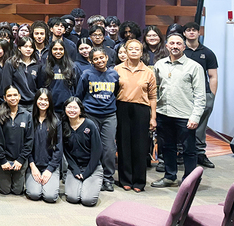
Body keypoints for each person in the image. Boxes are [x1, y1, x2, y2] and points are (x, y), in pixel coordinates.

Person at [151, 32, 205, 187]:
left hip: (185, 115)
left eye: (178, 44)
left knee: (188, 150)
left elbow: (200, 96)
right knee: (167, 147)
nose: (175, 46)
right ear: (167, 46)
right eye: (172, 43)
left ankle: (190, 181)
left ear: (184, 46)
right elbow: (154, 90)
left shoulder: (194, 67)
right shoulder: (160, 65)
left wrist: (195, 117)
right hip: (164, 113)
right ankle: (170, 176)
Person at [115, 38, 157, 192]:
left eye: (136, 49)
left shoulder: (148, 72)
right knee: (123, 144)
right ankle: (125, 179)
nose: (133, 51)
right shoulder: (117, 69)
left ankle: (139, 181)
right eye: (130, 49)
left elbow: (153, 96)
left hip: (141, 110)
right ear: (125, 51)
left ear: (141, 52)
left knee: (140, 146)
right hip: (122, 108)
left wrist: (153, 118)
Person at [75, 47, 120, 192]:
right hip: (90, 115)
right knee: (91, 147)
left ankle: (108, 179)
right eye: (96, 59)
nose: (99, 61)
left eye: (102, 58)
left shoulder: (114, 74)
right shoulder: (87, 74)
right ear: (91, 60)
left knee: (108, 149)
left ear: (106, 57)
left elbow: (117, 92)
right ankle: (92, 176)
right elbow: (79, 95)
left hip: (109, 116)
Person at [183, 22, 219, 169]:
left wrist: (211, 96)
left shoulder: (208, 53)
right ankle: (181, 154)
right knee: (182, 125)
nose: (192, 33)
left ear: (199, 33)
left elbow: (213, 76)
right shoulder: (180, 51)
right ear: (184, 33)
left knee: (200, 126)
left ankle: (200, 154)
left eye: (194, 30)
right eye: (188, 30)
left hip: (202, 95)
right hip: (184, 95)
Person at [62, 97, 102, 207]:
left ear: (80, 110)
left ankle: (90, 184)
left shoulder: (90, 125)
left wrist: (87, 172)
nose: (72, 110)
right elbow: (66, 152)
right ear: (65, 109)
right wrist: (74, 170)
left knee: (88, 200)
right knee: (72, 198)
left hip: (92, 168)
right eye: (69, 107)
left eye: (75, 107)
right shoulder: (63, 125)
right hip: (75, 167)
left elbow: (97, 151)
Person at [0, 85, 33, 195]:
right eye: (9, 95)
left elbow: (29, 140)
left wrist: (21, 160)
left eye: (15, 95)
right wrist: (2, 160)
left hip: (19, 160)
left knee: (17, 191)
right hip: (4, 160)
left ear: (19, 97)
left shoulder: (27, 115)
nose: (12, 98)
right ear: (5, 98)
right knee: (5, 191)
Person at [25, 89, 63, 203]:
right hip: (33, 166)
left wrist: (49, 170)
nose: (43, 102)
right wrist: (32, 166)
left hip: (50, 166)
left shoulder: (56, 121)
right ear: (36, 100)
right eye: (40, 99)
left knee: (50, 197)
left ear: (50, 102)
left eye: (46, 100)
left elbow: (59, 149)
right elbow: (25, 146)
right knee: (34, 194)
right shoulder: (29, 119)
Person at [37, 40, 77, 115]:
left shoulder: (72, 67)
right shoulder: (44, 68)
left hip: (68, 108)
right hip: (50, 108)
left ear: (64, 50)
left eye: (61, 49)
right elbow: (41, 87)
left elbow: (76, 88)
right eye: (55, 49)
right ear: (51, 51)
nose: (58, 51)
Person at [0, 36, 39, 109]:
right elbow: (7, 85)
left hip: (33, 104)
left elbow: (39, 85)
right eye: (25, 46)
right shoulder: (11, 63)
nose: (28, 49)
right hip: (16, 103)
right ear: (19, 48)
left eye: (31, 47)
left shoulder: (37, 64)